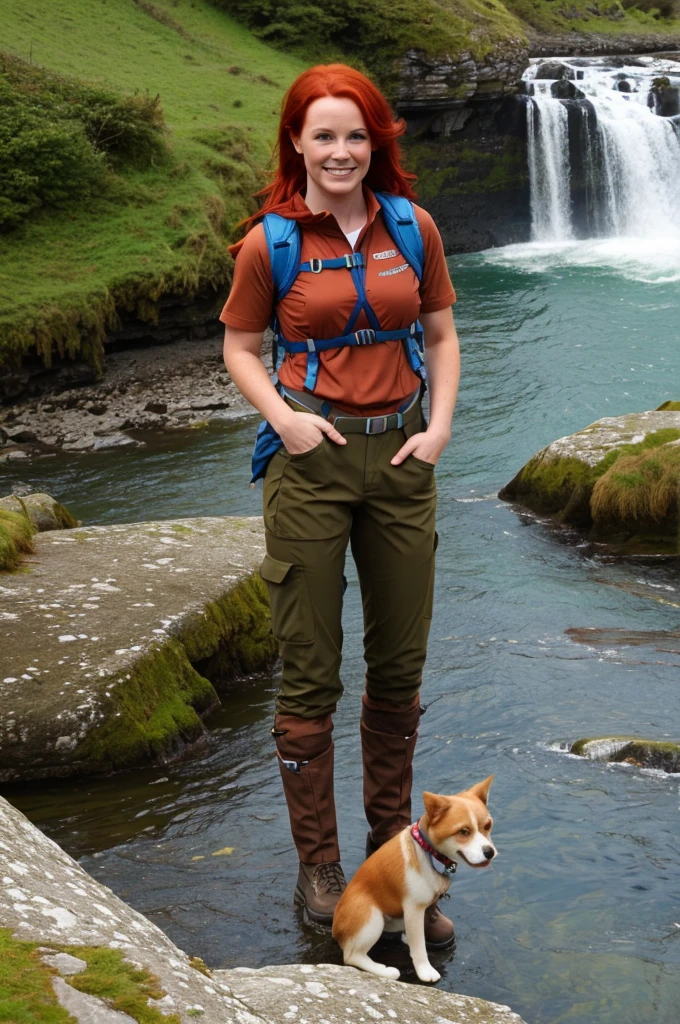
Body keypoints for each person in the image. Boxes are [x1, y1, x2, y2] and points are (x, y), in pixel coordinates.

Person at [221, 64, 460, 948]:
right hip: (310, 465)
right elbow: (241, 346)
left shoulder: (414, 226)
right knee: (310, 672)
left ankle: (392, 862)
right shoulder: (272, 241)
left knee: (399, 673)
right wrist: (283, 420)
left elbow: (440, 332)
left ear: (377, 144)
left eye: (356, 135)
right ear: (296, 142)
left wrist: (436, 430)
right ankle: (320, 865)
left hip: (402, 462)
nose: (341, 152)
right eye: (324, 135)